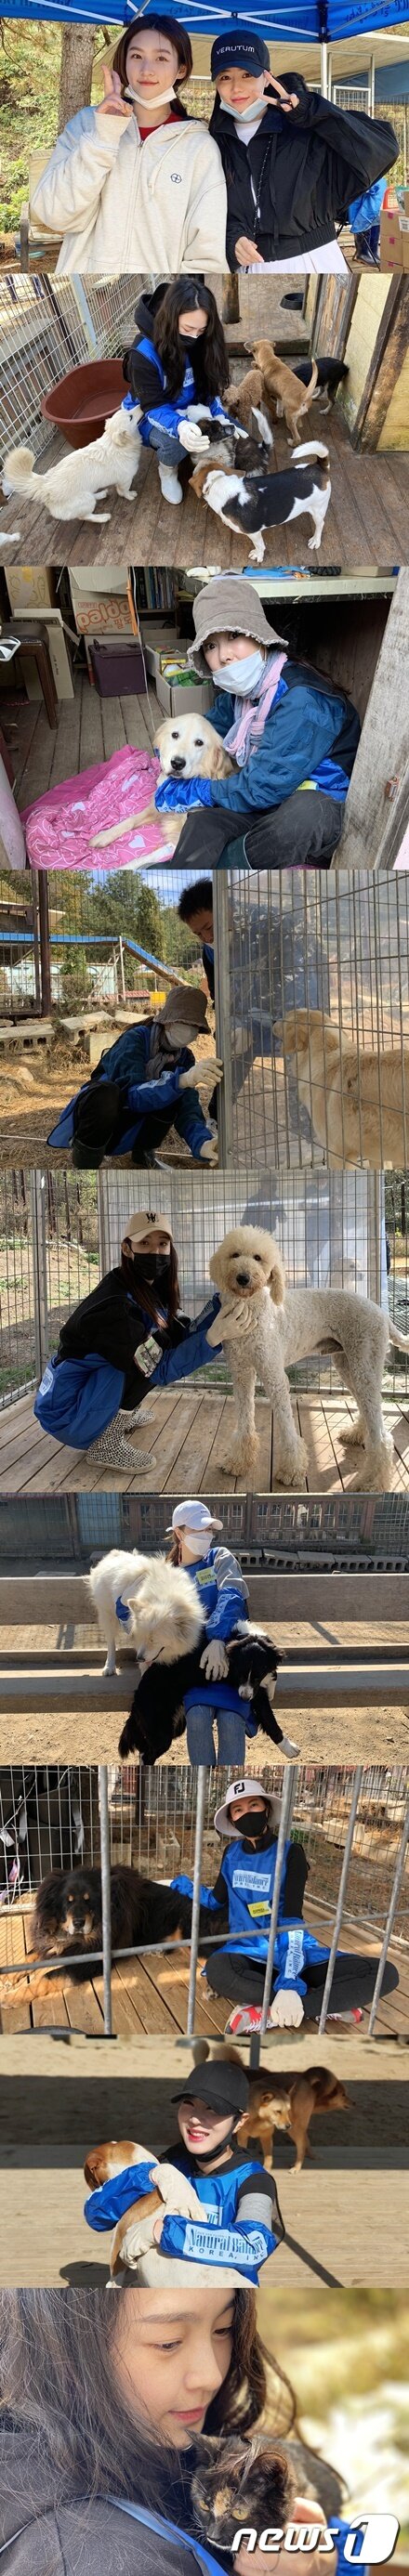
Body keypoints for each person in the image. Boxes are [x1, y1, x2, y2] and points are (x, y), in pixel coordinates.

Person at [0, 2283, 357, 2576]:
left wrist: (328, 2559)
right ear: (65, 2348)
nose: (211, 2376)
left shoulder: (170, 2443)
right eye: (168, 2342)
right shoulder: (94, 2557)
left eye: (223, 2329)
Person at [157, 574, 361, 872]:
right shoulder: (242, 694)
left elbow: (262, 787)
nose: (223, 655)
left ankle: (223, 870)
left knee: (298, 821)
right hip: (273, 796)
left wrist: (198, 790)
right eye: (211, 646)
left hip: (319, 799)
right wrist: (168, 758)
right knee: (204, 822)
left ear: (259, 636)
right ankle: (183, 873)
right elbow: (203, 730)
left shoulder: (303, 700)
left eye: (234, 636)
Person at [177, 1777, 399, 2037]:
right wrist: (180, 1885)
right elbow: (216, 1900)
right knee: (217, 1969)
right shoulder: (231, 1854)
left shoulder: (291, 1853)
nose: (246, 1813)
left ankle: (268, 2011)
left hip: (292, 1948)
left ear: (267, 1810)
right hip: (247, 1951)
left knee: (385, 1973)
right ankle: (321, 2005)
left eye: (253, 1805)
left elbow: (292, 1919)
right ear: (232, 1820)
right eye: (238, 1810)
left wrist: (290, 1982)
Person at [30, 14, 227, 276]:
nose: (147, 69)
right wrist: (103, 137)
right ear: (123, 62)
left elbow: (207, 252)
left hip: (154, 292)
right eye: (136, 56)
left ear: (181, 68)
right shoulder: (87, 124)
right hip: (84, 287)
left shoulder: (199, 146)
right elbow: (54, 214)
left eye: (161, 58)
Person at [33, 1210, 222, 1474]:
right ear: (127, 1248)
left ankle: (120, 1416)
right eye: (144, 1243)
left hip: (85, 1391)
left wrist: (218, 1307)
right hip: (66, 1414)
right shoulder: (114, 1309)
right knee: (147, 1361)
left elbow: (175, 1336)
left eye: (162, 1243)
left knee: (159, 1342)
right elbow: (160, 1368)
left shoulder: (141, 1285)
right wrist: (214, 1338)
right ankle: (106, 1443)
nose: (155, 1251)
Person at [207, 24, 397, 274]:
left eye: (246, 75)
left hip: (315, 261)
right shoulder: (212, 142)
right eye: (225, 77)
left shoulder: (304, 130)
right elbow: (206, 210)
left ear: (267, 77)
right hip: (248, 268)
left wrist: (312, 113)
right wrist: (231, 240)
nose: (236, 88)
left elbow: (382, 150)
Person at [85, 2059, 285, 2285]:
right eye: (189, 2104)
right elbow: (96, 2217)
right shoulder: (171, 2164)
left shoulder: (254, 2180)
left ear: (240, 2122)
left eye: (213, 2109)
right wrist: (150, 2176)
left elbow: (253, 2247)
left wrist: (160, 2231)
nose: (195, 2119)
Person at [47, 986, 222, 1170]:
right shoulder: (135, 1039)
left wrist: (201, 1143)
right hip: (107, 1115)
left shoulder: (184, 1057)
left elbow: (188, 1108)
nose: (190, 1031)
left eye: (195, 1026)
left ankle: (144, 1154)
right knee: (106, 1093)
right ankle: (87, 1162)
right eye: (185, 1023)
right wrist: (180, 1080)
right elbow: (132, 1096)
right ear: (168, 1021)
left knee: (175, 1096)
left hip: (136, 1123)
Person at [122, 281, 232, 509]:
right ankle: (168, 471)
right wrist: (180, 426)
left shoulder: (202, 341)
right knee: (175, 445)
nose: (194, 337)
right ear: (171, 319)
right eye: (187, 329)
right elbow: (153, 407)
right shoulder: (143, 353)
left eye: (201, 330)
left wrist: (220, 416)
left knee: (231, 430)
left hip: (188, 405)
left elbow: (209, 388)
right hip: (148, 413)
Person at [165, 1498, 252, 1767]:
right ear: (179, 1533)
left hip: (232, 1658)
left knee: (230, 1719)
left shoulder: (220, 1557)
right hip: (194, 1665)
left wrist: (217, 1638)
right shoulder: (169, 1574)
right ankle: (202, 1791)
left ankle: (228, 1785)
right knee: (198, 1716)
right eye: (198, 1530)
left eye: (209, 1530)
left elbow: (232, 1593)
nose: (207, 1536)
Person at [349, 175, 385, 265]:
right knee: (368, 214)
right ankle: (362, 253)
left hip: (364, 201)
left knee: (376, 216)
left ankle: (372, 252)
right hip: (354, 206)